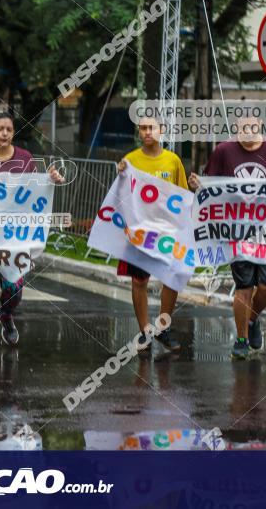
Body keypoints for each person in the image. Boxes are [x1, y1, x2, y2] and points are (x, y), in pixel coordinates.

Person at [189, 113, 266, 359]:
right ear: (236, 128)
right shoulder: (224, 150)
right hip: (237, 230)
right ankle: (242, 340)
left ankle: (253, 319)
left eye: (252, 127)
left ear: (260, 127)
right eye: (242, 127)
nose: (247, 131)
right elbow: (209, 184)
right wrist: (196, 183)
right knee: (244, 286)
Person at [0, 110, 64, 353]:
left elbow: (34, 193)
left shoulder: (24, 158)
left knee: (13, 288)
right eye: (0, 129)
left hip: (13, 239)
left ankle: (7, 314)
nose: (5, 133)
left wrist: (50, 180)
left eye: (9, 129)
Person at [117, 116, 187, 358]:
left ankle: (163, 328)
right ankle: (145, 330)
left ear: (162, 130)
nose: (148, 132)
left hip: (167, 231)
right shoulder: (130, 161)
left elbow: (183, 195)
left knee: (172, 277)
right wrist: (121, 174)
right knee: (139, 281)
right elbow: (120, 195)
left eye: (152, 128)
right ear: (139, 131)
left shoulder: (173, 160)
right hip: (140, 232)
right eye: (144, 128)